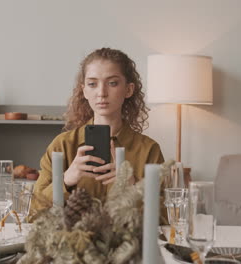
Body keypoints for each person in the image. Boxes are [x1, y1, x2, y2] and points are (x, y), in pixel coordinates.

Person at [30, 47, 164, 217]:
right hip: (72, 242)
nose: (101, 93)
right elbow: (33, 212)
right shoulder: (62, 145)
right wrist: (66, 180)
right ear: (84, 90)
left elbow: (167, 217)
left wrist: (134, 187)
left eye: (112, 83)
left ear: (129, 90)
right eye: (92, 84)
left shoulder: (149, 150)